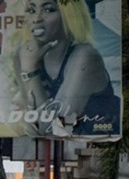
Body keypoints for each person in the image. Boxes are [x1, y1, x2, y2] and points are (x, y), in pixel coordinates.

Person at [10, 0, 119, 137]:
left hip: (101, 146)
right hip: (65, 147)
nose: (37, 18)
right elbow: (30, 124)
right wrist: (28, 67)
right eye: (31, 11)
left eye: (49, 9)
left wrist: (31, 71)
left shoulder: (85, 56)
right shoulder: (24, 56)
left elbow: (52, 129)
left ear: (69, 15)